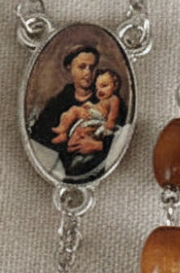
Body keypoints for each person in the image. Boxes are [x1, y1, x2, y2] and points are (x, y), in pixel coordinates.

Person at [28, 45, 127, 179]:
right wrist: (68, 145)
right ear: (70, 68)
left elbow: (123, 133)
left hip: (99, 167)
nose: (88, 73)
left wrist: (99, 145)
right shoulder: (59, 102)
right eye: (82, 67)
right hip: (64, 170)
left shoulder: (109, 99)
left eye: (92, 67)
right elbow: (39, 138)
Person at [50, 69, 123, 146]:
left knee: (74, 109)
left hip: (100, 118)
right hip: (94, 115)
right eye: (97, 88)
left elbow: (113, 114)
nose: (99, 90)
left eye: (104, 86)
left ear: (115, 86)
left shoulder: (113, 99)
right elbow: (98, 107)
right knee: (65, 115)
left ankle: (62, 129)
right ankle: (63, 134)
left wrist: (111, 121)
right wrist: (90, 106)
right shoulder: (103, 100)